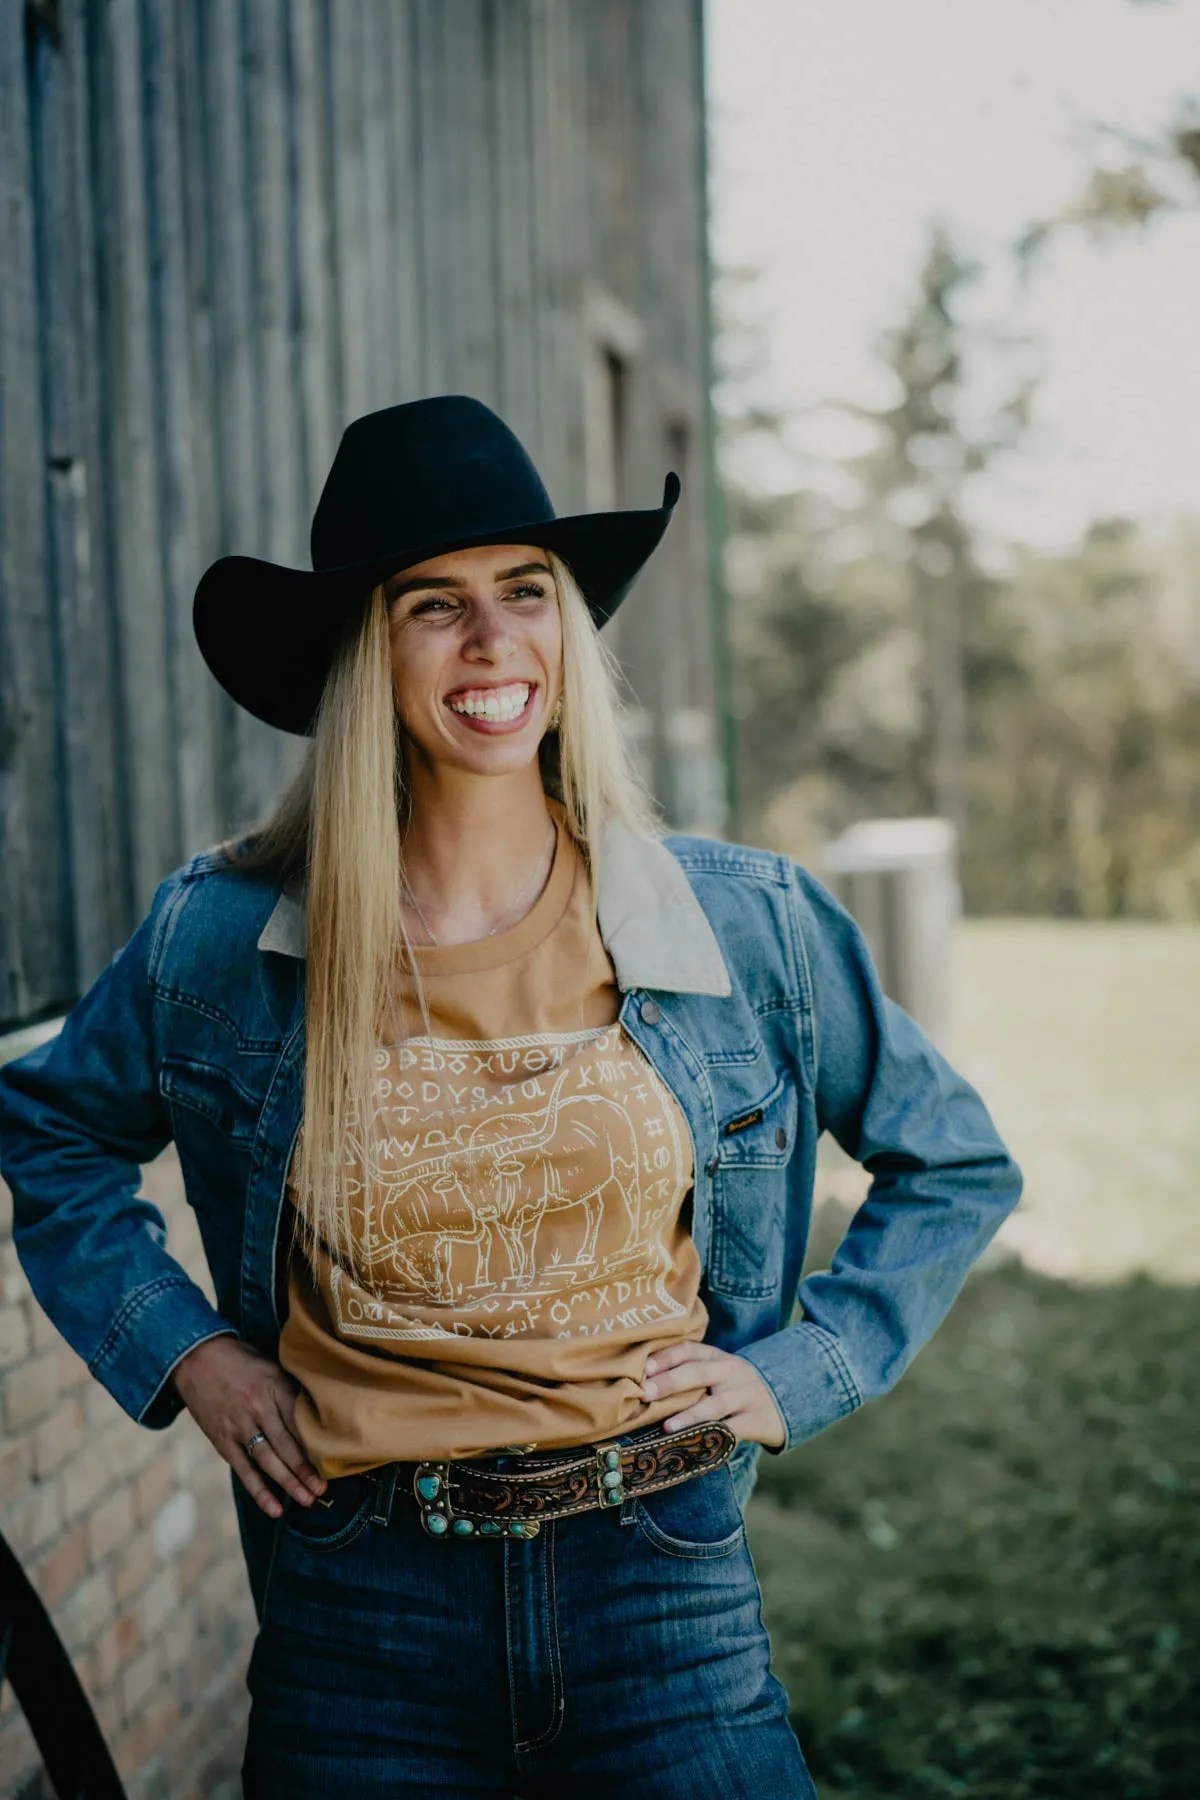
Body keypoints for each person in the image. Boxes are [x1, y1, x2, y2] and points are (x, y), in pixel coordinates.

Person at [0, 395, 1021, 1797]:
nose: (493, 643)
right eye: (436, 605)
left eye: (525, 593)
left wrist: (799, 1372)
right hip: (360, 1609)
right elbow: (49, 1130)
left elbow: (953, 1162)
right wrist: (190, 1352)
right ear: (369, 649)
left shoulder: (746, 926)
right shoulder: (223, 939)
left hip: (658, 1586)